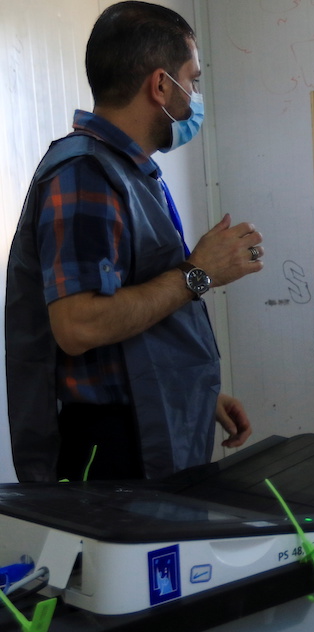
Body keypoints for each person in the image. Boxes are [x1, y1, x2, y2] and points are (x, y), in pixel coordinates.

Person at [5, 1, 263, 483]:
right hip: (109, 449)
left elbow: (135, 315)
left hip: (149, 422)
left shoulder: (129, 171)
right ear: (161, 84)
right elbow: (79, 326)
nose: (196, 95)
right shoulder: (83, 174)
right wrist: (199, 273)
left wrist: (194, 392)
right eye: (194, 78)